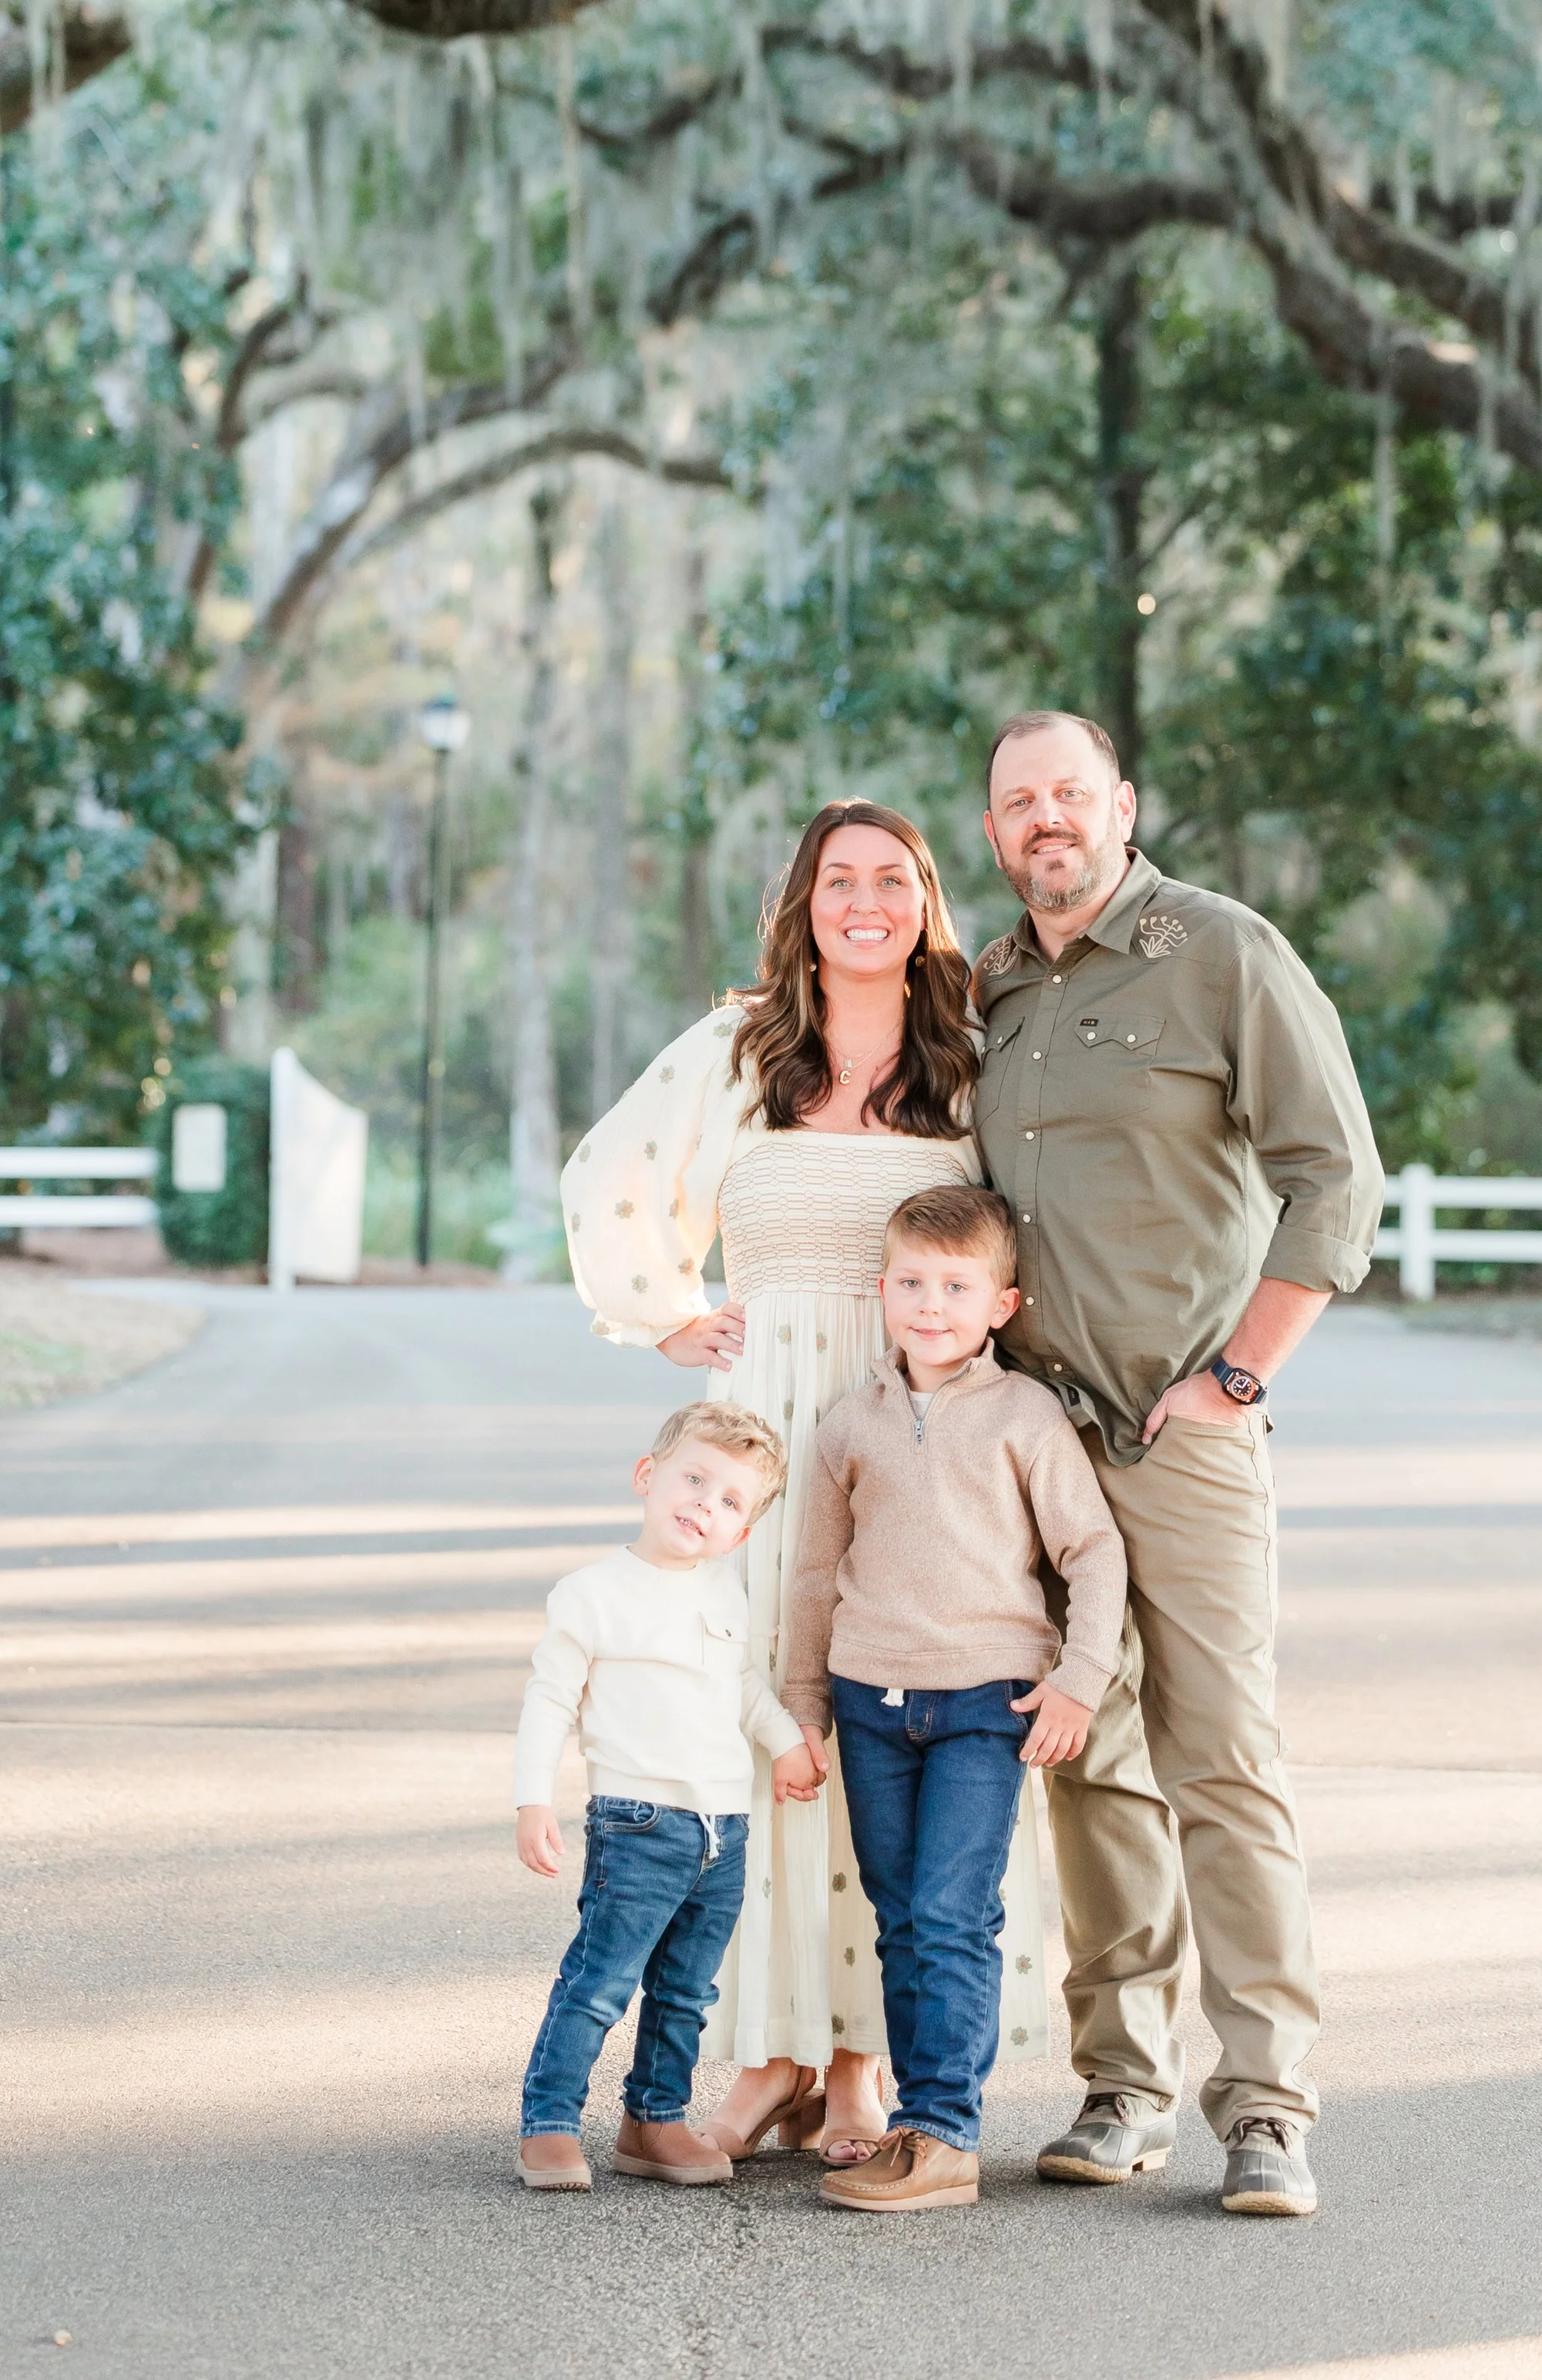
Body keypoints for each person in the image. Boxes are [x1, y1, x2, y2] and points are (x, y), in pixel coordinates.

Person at [558, 801, 1053, 2167]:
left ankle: (856, 2063)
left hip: (917, 1430)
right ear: (804, 901)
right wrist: (663, 1310)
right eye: (840, 879)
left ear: (926, 900)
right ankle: (761, 2052)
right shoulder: (739, 1049)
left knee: (884, 1716)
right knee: (763, 1723)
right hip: (769, 1421)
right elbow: (611, 1170)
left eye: (892, 878)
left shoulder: (969, 1048)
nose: (866, 900)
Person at [973, 709, 1385, 2220]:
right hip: (1039, 1444)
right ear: (997, 827)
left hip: (1182, 1432)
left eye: (1067, 795)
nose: (1044, 822)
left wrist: (1237, 1375)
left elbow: (1331, 1174)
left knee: (1221, 1761)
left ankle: (1267, 2108)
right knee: (1083, 1763)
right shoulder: (991, 990)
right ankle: (1119, 2086)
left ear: (1120, 806)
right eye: (1017, 803)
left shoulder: (1220, 953)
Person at [782, 1185, 1127, 2214]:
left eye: (956, 1286)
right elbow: (812, 1573)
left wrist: (1079, 1677)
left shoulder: (1024, 1414)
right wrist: (805, 1702)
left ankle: (945, 2133)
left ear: (1002, 1304)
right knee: (900, 1917)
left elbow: (1093, 1548)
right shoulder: (850, 1420)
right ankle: (913, 2124)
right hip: (870, 1703)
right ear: (882, 1289)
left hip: (988, 1700)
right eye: (913, 1283)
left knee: (948, 1912)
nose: (931, 1305)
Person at [512, 1400, 822, 2191]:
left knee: (687, 1991)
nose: (705, 1506)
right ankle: (548, 2123)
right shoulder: (592, 1593)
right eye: (694, 1479)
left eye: (729, 1502)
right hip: (638, 1823)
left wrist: (786, 1742)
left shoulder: (724, 1593)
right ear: (647, 1477)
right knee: (601, 1981)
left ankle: (654, 2121)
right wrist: (533, 1801)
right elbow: (549, 1700)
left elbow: (743, 1687)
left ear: (742, 1532)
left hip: (724, 1829)